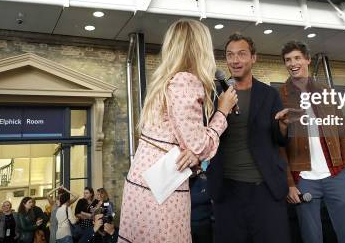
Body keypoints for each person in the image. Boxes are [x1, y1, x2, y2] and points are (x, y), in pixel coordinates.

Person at [118, 19, 238, 243]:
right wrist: (222, 111)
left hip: (142, 182)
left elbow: (178, 138)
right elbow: (199, 145)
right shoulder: (186, 81)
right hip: (162, 187)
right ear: (199, 47)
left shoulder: (165, 80)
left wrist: (193, 155)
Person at [207, 33, 292, 243]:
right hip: (227, 190)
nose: (235, 60)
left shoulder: (269, 94)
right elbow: (205, 135)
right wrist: (221, 110)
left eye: (242, 54)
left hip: (265, 188)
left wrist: (282, 126)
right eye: (230, 55)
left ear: (253, 58)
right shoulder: (213, 95)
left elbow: (280, 140)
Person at [278, 41, 345, 243]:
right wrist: (289, 183)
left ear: (307, 59)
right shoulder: (279, 96)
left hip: (336, 175)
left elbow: (343, 132)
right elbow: (278, 145)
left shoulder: (327, 92)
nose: (292, 63)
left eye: (297, 58)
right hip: (303, 178)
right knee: (311, 238)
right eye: (288, 60)